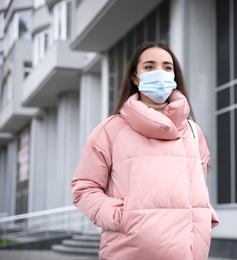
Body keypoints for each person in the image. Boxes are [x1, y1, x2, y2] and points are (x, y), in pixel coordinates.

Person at [71, 42, 219, 260]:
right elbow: (84, 189)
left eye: (167, 68)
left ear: (175, 77)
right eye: (149, 67)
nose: (160, 72)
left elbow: (197, 188)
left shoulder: (193, 132)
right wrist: (122, 216)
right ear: (135, 77)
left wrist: (202, 214)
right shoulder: (110, 130)